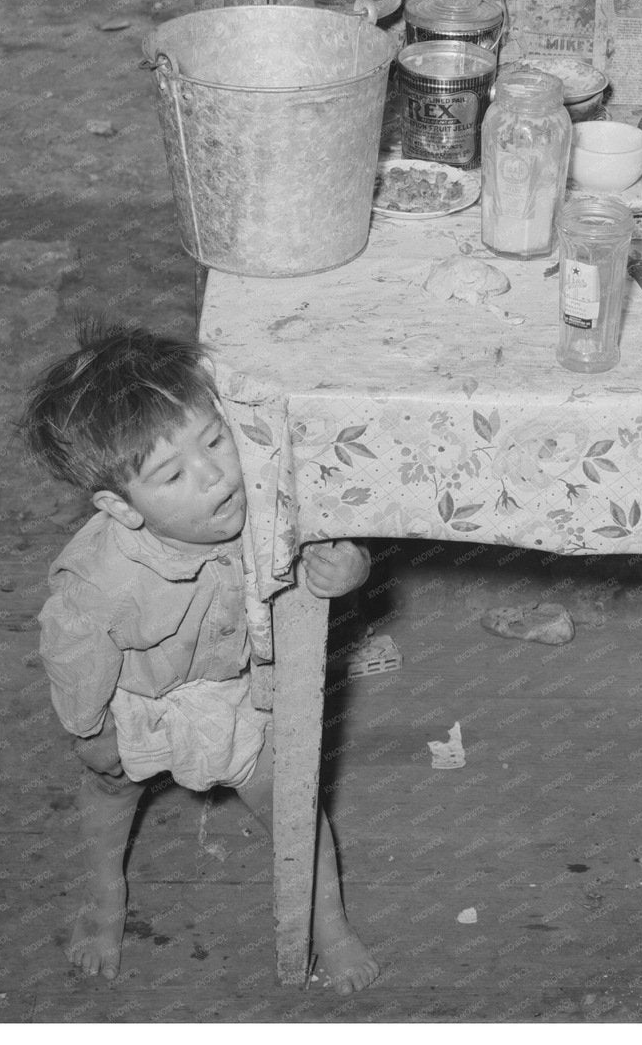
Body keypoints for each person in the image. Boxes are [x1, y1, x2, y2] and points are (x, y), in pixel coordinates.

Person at [22, 324, 378, 994]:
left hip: (241, 692)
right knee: (108, 790)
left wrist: (348, 570)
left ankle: (326, 920)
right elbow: (72, 656)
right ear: (119, 508)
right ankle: (103, 896)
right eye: (173, 473)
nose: (216, 474)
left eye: (214, 440)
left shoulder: (266, 497)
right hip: (139, 704)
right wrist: (90, 730)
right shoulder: (99, 580)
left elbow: (335, 539)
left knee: (294, 803)